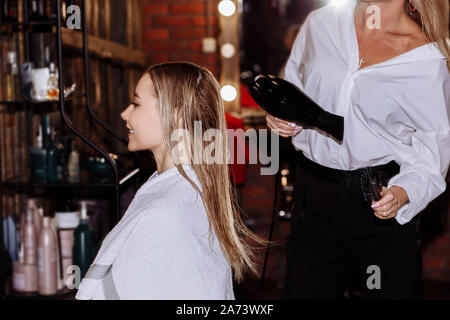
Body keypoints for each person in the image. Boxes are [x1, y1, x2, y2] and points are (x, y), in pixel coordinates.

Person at [266, 0, 450, 299]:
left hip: (379, 200)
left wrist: (402, 193)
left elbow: (433, 152)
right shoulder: (321, 23)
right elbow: (294, 91)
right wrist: (280, 114)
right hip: (314, 197)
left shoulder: (426, 61)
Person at [75, 62, 265, 300]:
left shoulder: (166, 212)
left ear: (175, 113)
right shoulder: (186, 188)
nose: (125, 113)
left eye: (136, 103)